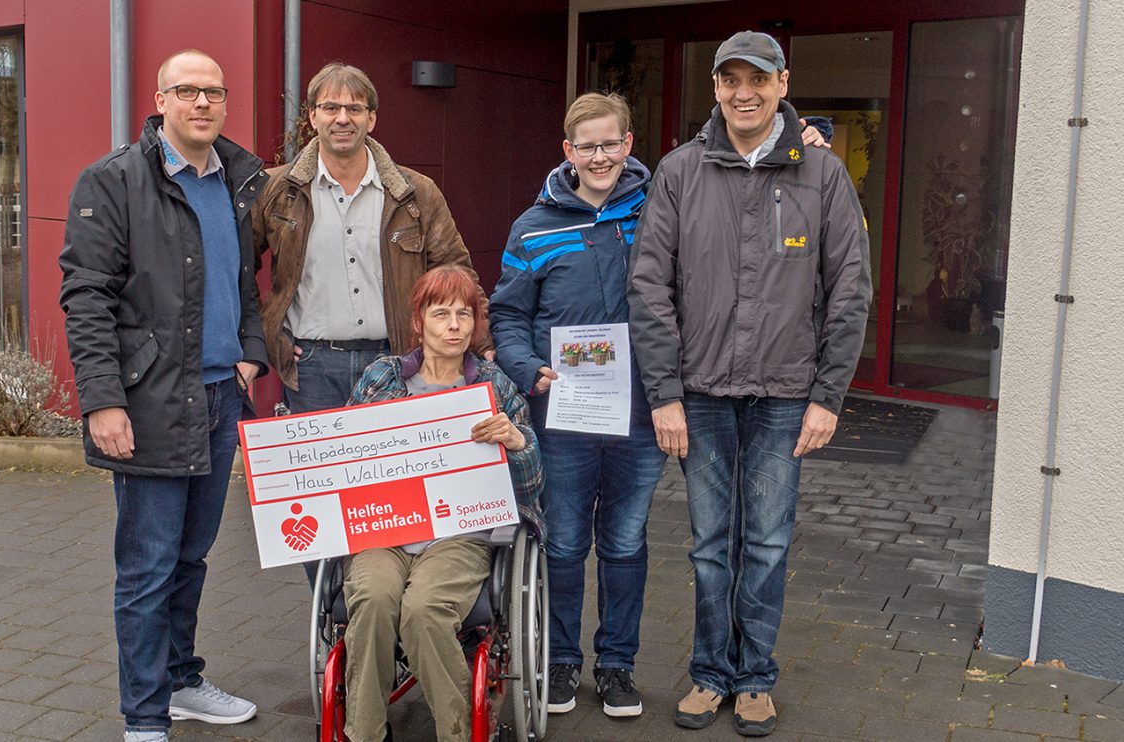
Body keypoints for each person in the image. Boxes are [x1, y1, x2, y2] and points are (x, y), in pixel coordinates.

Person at [490, 93, 829, 719]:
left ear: (629, 144)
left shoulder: (662, 202)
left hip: (644, 411)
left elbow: (739, 170)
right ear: (567, 152)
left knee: (622, 543)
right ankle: (561, 661)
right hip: (561, 413)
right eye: (585, 145)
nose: (598, 156)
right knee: (563, 543)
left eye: (609, 143)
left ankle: (617, 666)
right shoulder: (532, 226)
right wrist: (524, 366)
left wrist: (806, 137)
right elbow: (507, 314)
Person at [628, 31, 872, 737]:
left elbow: (849, 291)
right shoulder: (679, 172)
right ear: (714, 88)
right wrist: (664, 392)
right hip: (699, 394)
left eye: (757, 79)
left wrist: (828, 396)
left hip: (786, 393)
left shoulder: (823, 177)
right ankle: (710, 674)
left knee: (765, 543)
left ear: (782, 84)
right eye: (730, 79)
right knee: (708, 543)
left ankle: (755, 677)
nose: (744, 92)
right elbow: (649, 288)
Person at [58, 49, 266, 742]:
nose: (202, 103)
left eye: (213, 92)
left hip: (217, 398)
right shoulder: (114, 181)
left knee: (190, 558)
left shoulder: (239, 180)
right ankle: (144, 717)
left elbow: (244, 285)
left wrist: (249, 357)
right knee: (147, 569)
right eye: (187, 91)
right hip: (148, 404)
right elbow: (85, 298)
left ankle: (180, 681)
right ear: (160, 99)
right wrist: (102, 400)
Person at [340, 266, 544, 742]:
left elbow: (533, 490)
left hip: (460, 535)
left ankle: (461, 732)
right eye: (441, 314)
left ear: (475, 324)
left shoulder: (494, 387)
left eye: (464, 315)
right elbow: (343, 458)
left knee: (425, 609)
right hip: (385, 530)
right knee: (371, 601)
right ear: (419, 322)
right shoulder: (380, 379)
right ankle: (365, 733)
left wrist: (517, 441)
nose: (454, 326)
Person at [254, 62, 488, 418]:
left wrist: (481, 342)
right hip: (311, 366)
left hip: (398, 360)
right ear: (313, 117)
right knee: (325, 471)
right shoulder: (275, 190)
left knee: (394, 473)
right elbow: (233, 268)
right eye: (331, 108)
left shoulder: (414, 194)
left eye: (354, 109)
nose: (342, 118)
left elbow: (456, 274)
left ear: (371, 119)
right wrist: (264, 336)